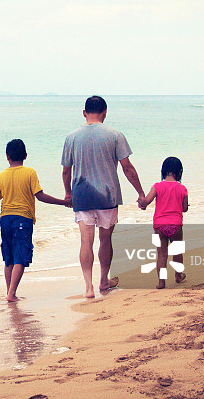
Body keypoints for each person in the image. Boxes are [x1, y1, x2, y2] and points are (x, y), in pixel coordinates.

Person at [62, 96, 146, 298]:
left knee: (86, 241)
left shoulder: (71, 137)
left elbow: (66, 171)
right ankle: (103, 280)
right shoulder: (115, 135)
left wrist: (68, 193)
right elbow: (128, 168)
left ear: (84, 113)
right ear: (105, 113)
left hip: (82, 194)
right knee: (105, 239)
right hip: (108, 195)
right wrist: (141, 193)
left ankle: (88, 287)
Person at [0, 139, 67, 302]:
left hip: (5, 219)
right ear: (26, 155)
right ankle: (11, 294)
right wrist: (63, 202)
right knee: (21, 256)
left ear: (7, 157)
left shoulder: (1, 176)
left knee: (8, 258)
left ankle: (10, 291)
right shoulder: (30, 172)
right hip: (23, 219)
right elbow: (40, 196)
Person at [139, 156, 189, 289]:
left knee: (161, 254)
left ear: (163, 171)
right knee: (177, 252)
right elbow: (184, 209)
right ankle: (178, 276)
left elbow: (146, 201)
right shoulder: (182, 189)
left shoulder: (157, 186)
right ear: (180, 172)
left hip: (160, 226)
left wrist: (141, 202)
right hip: (176, 225)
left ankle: (161, 282)